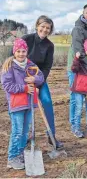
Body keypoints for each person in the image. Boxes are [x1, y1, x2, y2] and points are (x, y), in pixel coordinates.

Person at [20, 15, 63, 148]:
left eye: (48, 28)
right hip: (22, 79)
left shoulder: (49, 45)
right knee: (24, 107)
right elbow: (14, 59)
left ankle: (51, 136)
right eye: (42, 26)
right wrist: (25, 81)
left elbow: (46, 67)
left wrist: (37, 82)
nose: (44, 30)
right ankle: (23, 137)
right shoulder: (26, 39)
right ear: (37, 26)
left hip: (39, 79)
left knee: (47, 102)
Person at [1, 39, 44, 169]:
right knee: (17, 131)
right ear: (14, 52)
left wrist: (34, 79)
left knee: (25, 131)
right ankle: (12, 157)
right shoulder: (9, 66)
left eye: (23, 51)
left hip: (29, 103)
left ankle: (20, 154)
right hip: (17, 104)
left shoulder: (30, 64)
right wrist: (24, 88)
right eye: (18, 51)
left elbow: (41, 77)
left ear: (27, 51)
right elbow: (7, 85)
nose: (21, 54)